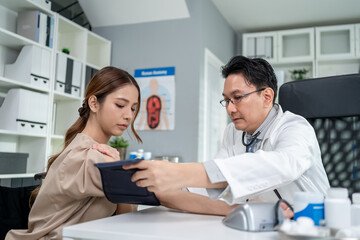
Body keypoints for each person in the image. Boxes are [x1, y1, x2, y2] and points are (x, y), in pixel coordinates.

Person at [120, 56, 330, 211]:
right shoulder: (233, 132)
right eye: (227, 100)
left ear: (267, 97)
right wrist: (166, 187)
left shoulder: (295, 127)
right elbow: (216, 181)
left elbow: (283, 164)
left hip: (313, 226)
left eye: (237, 98)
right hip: (266, 224)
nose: (229, 109)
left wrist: (180, 173)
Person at [5, 66, 142, 240]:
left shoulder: (91, 150)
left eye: (133, 108)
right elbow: (130, 215)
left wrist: (119, 169)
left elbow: (124, 219)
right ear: (93, 103)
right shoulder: (90, 156)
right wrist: (120, 169)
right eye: (120, 105)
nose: (129, 115)